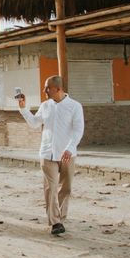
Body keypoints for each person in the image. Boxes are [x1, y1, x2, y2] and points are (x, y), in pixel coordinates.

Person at [18, 75, 84, 236]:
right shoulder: (45, 105)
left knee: (65, 188)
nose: (44, 90)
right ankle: (55, 222)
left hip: (67, 154)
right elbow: (34, 123)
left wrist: (69, 148)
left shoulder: (75, 106)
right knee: (50, 188)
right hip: (47, 153)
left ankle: (60, 217)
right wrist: (23, 108)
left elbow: (78, 130)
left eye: (47, 87)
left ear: (58, 89)